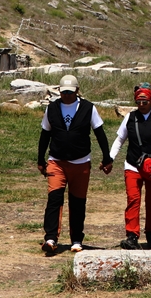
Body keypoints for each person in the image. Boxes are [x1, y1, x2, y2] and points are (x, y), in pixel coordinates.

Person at [37, 74, 113, 255]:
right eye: (64, 93)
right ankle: (50, 238)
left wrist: (107, 157)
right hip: (57, 161)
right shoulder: (53, 108)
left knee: (78, 202)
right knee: (54, 198)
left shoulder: (88, 108)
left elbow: (99, 133)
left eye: (70, 93)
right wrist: (40, 160)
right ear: (59, 91)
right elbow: (45, 134)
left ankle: (77, 239)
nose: (67, 96)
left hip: (81, 162)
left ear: (77, 91)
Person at [110, 83, 151, 250]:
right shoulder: (130, 118)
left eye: (145, 102)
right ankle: (132, 236)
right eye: (138, 102)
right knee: (133, 200)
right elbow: (120, 139)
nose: (142, 105)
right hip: (132, 165)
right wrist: (110, 157)